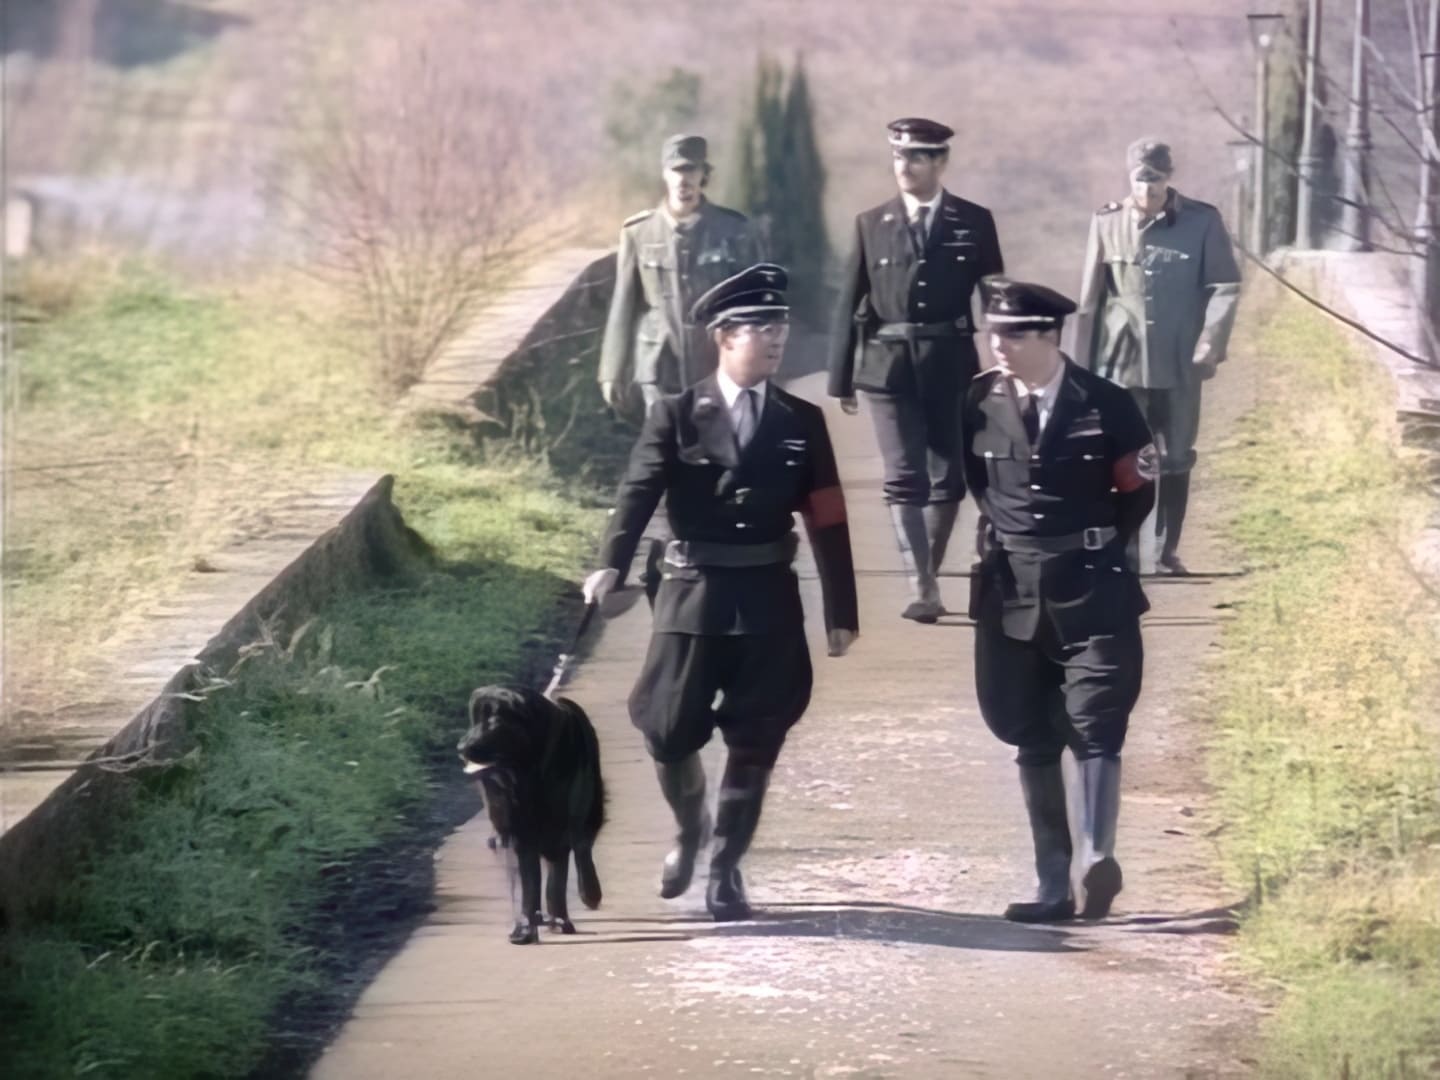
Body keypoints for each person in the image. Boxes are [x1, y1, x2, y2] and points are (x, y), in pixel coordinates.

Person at [584, 263, 859, 922]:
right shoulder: (677, 414)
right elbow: (638, 491)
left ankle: (726, 868)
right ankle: (691, 829)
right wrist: (610, 564)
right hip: (692, 593)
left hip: (767, 595)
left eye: (781, 325)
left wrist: (841, 610)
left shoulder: (801, 420)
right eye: (761, 326)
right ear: (724, 336)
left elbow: (826, 514)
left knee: (759, 732)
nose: (776, 337)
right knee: (667, 727)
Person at [963, 276, 1158, 923]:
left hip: (1091, 583)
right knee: (1028, 728)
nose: (1000, 345)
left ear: (1051, 336)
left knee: (1098, 716)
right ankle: (1053, 881)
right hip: (1011, 587)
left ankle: (1096, 857)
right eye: (994, 333)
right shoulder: (978, 401)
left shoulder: (1107, 403)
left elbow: (1137, 491)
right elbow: (979, 482)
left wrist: (1093, 542)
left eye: (1015, 335)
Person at [828, 117, 1004, 622]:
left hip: (952, 364)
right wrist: (841, 378)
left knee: (948, 477)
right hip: (889, 368)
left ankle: (929, 569)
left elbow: (994, 297)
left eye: (916, 157)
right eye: (899, 156)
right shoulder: (871, 223)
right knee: (904, 477)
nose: (904, 165)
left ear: (940, 162)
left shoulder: (974, 221)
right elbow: (850, 300)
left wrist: (1006, 363)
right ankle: (922, 585)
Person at [1073, 137, 1241, 574]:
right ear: (1129, 177)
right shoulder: (1107, 222)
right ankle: (1128, 548)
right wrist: (1080, 370)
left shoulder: (1202, 222)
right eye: (1140, 180)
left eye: (1156, 180)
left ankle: (1167, 550)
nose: (1147, 189)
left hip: (1180, 361)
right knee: (1126, 456)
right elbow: (1090, 302)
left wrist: (1209, 343)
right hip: (1122, 364)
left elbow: (1224, 286)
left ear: (1169, 178)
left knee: (1178, 455)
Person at [599, 134, 763, 411]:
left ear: (703, 174)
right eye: (675, 170)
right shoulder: (639, 231)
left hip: (716, 362)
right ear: (665, 174)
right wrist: (611, 371)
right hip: (658, 367)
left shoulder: (734, 230)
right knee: (665, 435)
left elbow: (754, 304)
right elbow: (624, 303)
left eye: (690, 170)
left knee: (715, 435)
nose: (683, 180)